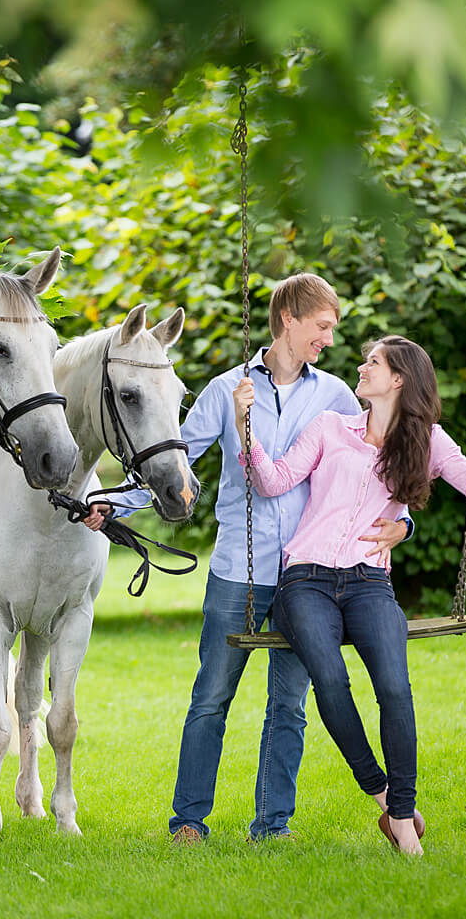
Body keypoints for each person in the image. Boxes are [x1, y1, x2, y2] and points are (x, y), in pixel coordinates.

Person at [85, 273, 412, 843]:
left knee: (289, 706)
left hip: (310, 581)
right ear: (289, 318)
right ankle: (189, 820)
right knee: (212, 696)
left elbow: (387, 464)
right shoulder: (226, 389)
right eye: (322, 326)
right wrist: (112, 502)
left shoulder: (337, 395)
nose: (329, 340)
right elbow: (176, 459)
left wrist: (403, 522)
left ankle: (272, 825)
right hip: (238, 571)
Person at [233, 335, 466, 855]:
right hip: (305, 580)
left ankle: (403, 814)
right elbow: (274, 481)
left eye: (372, 362)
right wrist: (248, 430)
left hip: (368, 583)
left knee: (395, 689)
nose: (362, 367)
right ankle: (384, 796)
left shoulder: (427, 441)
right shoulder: (332, 427)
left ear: (398, 379)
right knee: (331, 681)